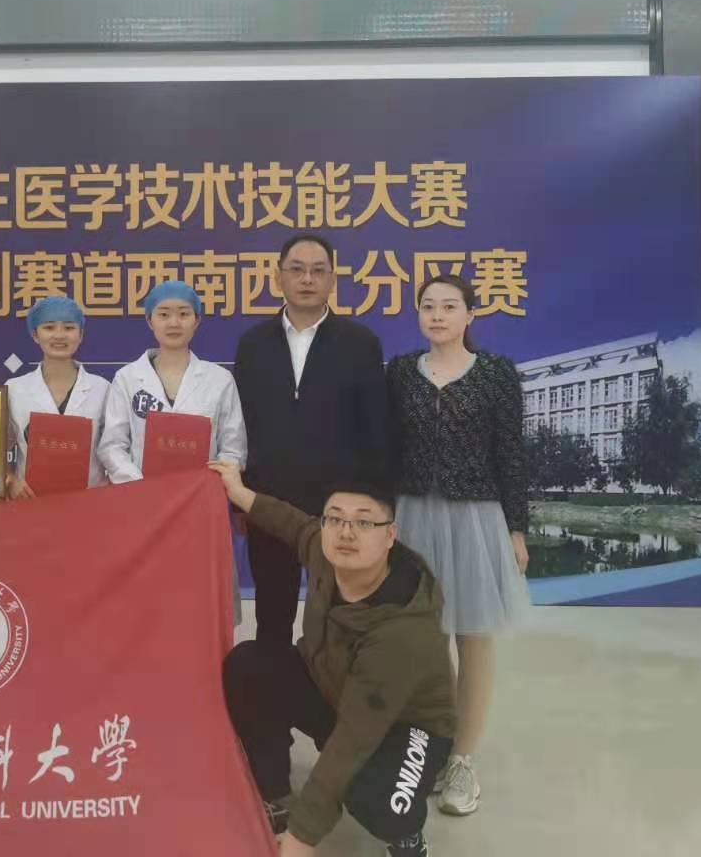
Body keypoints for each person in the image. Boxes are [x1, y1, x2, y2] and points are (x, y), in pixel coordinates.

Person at [211, 461, 455, 857]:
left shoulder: (402, 631)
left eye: (364, 522)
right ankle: (276, 797)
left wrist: (302, 839)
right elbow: (292, 523)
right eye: (335, 518)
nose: (346, 532)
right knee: (249, 665)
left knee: (380, 802)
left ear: (390, 535)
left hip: (407, 724)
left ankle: (407, 836)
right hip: (336, 690)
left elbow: (354, 738)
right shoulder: (327, 552)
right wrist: (238, 493)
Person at [385, 274, 531, 818]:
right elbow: (388, 447)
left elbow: (511, 453)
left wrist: (516, 528)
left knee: (473, 636)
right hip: (413, 516)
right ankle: (436, 747)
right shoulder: (401, 372)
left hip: (475, 517)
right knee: (425, 638)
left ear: (471, 315)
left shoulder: (495, 373)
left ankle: (464, 761)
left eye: (450, 306)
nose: (438, 315)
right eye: (428, 306)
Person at [233, 233, 391, 653]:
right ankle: (273, 695)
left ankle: (338, 697)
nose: (307, 279)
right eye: (297, 270)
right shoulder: (252, 345)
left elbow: (376, 430)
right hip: (270, 505)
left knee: (342, 619)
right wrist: (241, 501)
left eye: (318, 271)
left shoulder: (361, 344)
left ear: (332, 280)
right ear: (279, 277)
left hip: (341, 510)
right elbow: (240, 428)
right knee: (272, 618)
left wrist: (377, 505)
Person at [98, 280, 247, 483]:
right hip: (140, 493)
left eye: (184, 314)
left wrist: (204, 484)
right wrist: (141, 485)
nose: (174, 323)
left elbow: (233, 449)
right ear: (150, 321)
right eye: (164, 314)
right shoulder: (127, 378)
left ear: (197, 321)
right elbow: (112, 446)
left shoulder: (220, 380)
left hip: (201, 494)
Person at [4, 295, 111, 497]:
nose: (59, 335)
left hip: (90, 502)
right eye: (49, 327)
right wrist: (10, 481)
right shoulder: (14, 389)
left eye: (69, 328)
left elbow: (114, 448)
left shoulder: (103, 389)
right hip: (31, 502)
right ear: (35, 335)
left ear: (81, 335)